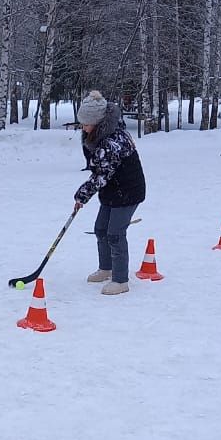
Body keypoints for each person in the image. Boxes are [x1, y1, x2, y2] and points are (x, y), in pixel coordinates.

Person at [73, 90, 146, 295]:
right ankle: (106, 268)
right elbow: (98, 170)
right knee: (101, 229)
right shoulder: (97, 135)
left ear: (97, 122)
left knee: (115, 233)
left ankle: (121, 280)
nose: (83, 128)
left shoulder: (113, 141)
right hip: (112, 190)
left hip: (128, 191)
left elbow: (101, 174)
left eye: (86, 124)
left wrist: (82, 195)